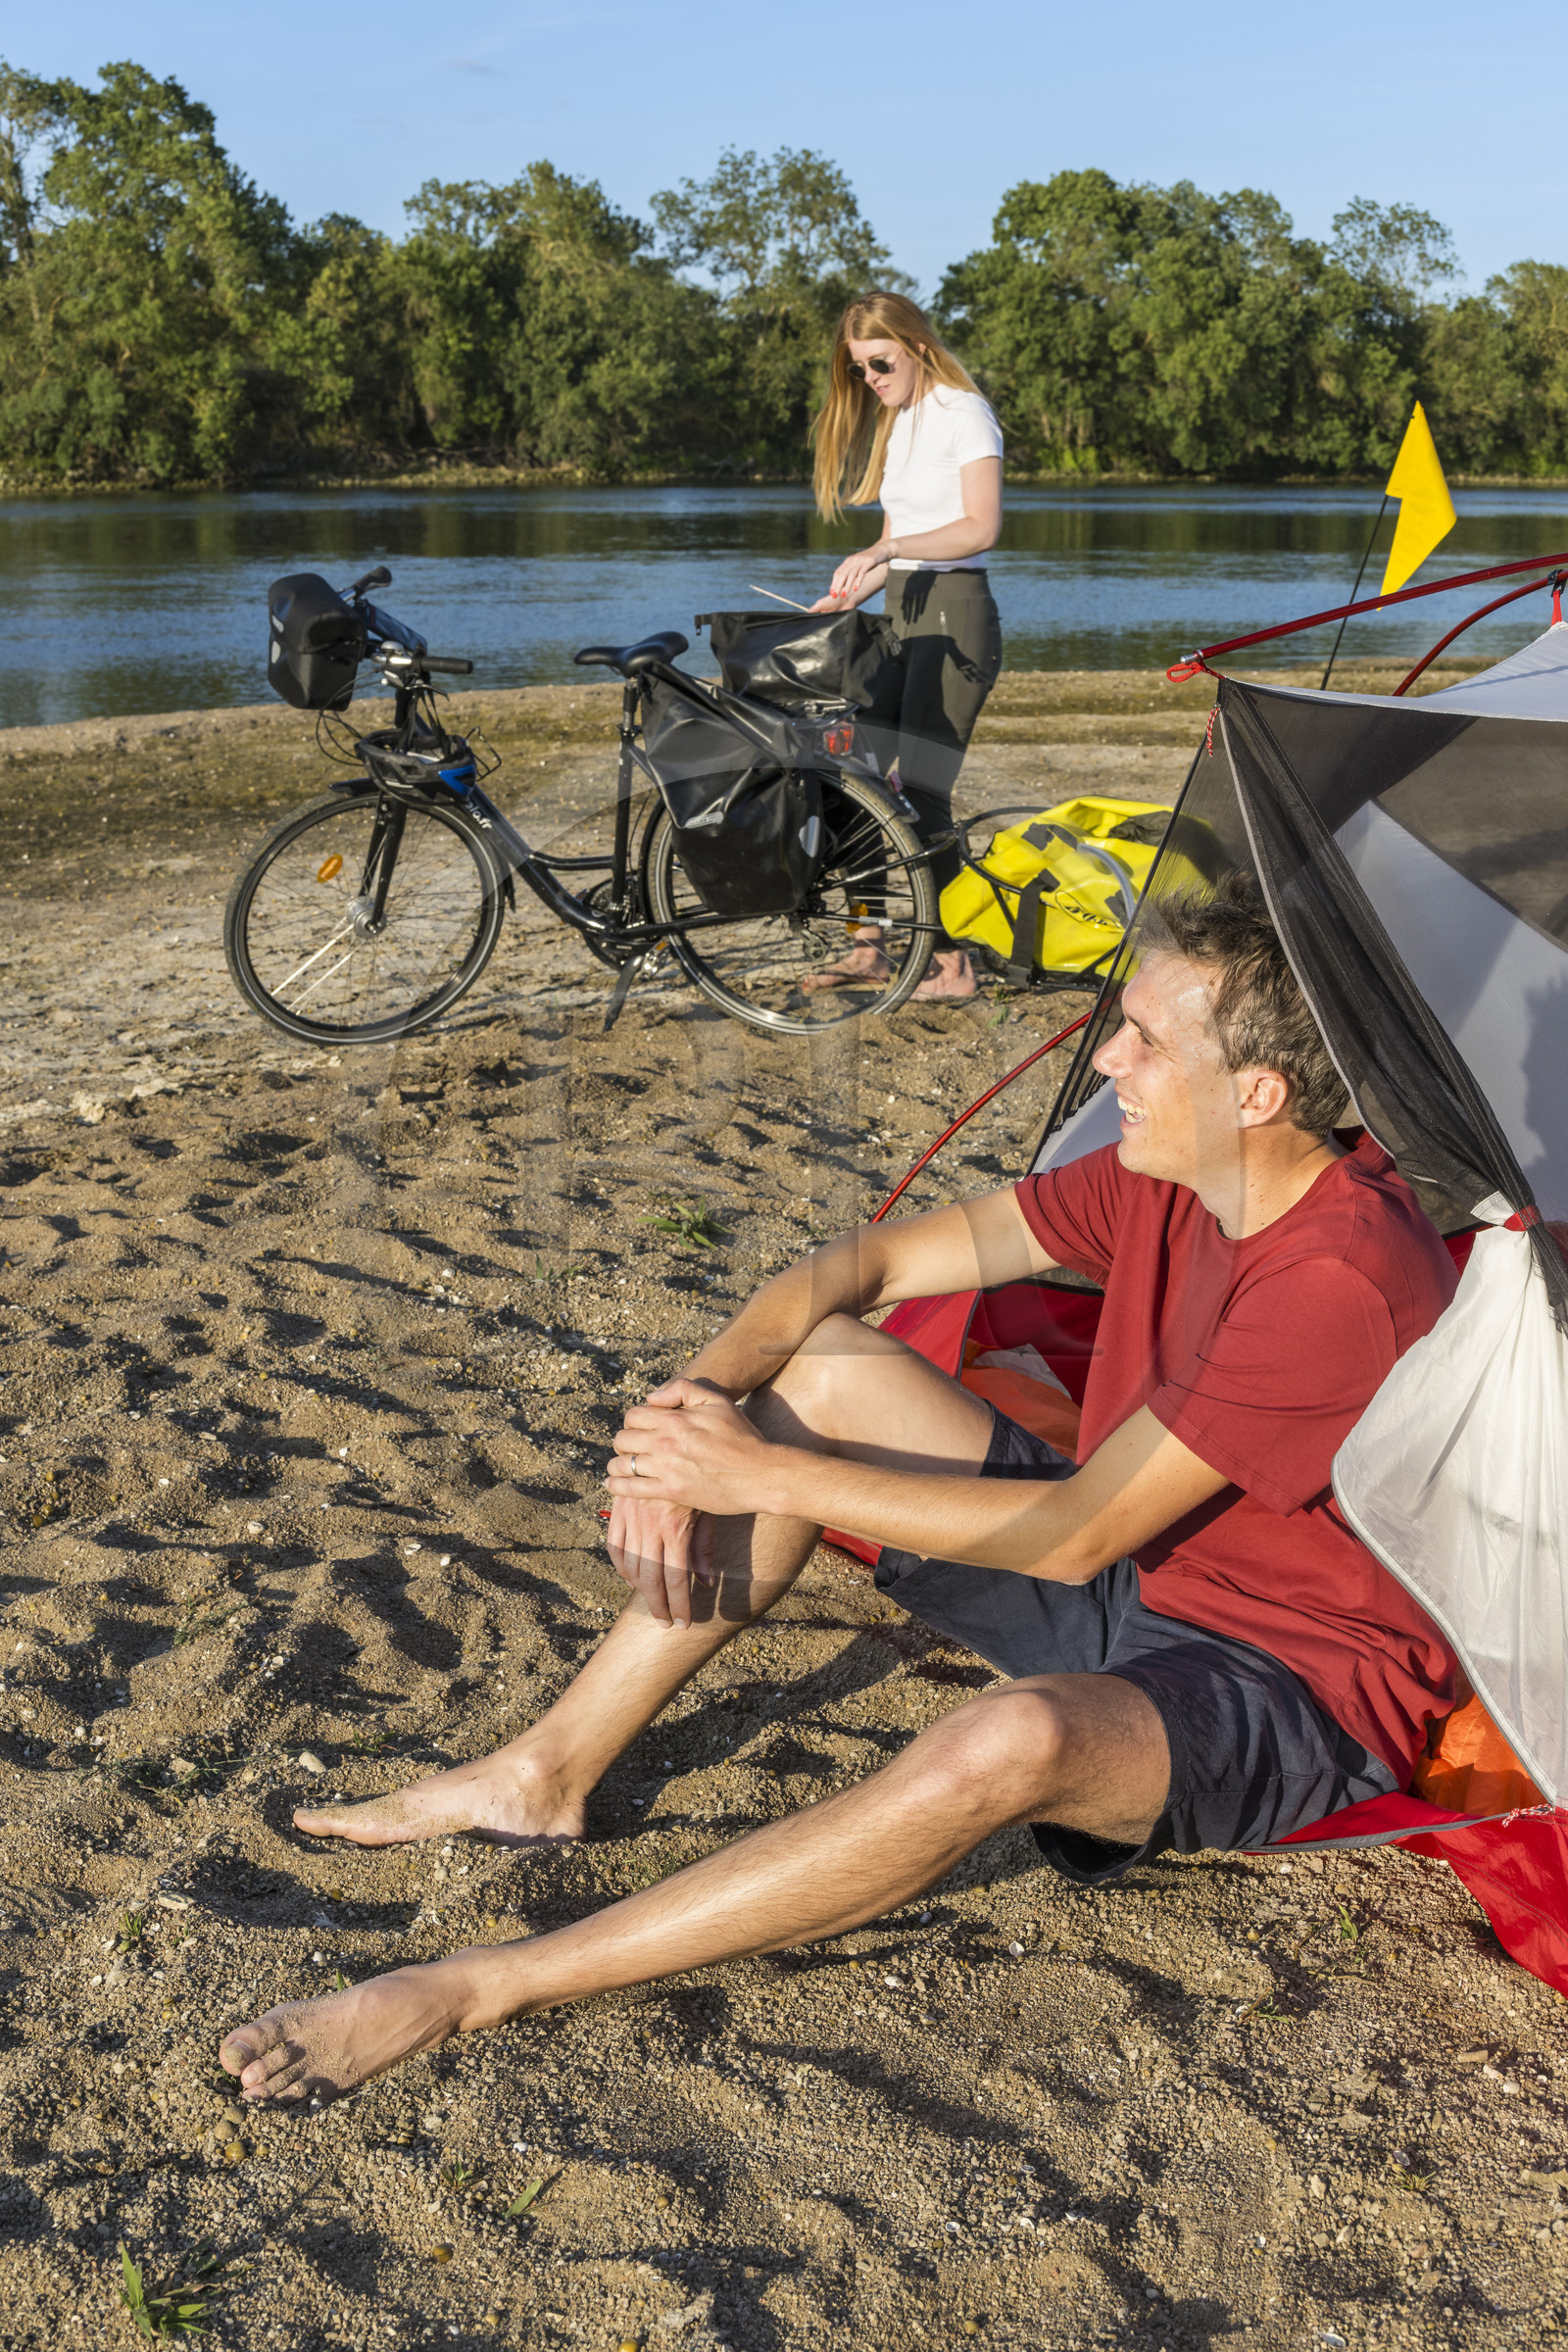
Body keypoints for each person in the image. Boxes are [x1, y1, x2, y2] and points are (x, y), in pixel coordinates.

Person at [220, 877, 1462, 2107]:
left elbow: (1081, 1533)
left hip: (1295, 1683)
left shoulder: (1336, 1272)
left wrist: (751, 1471)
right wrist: (684, 1418)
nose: (1107, 1068)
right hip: (1141, 1577)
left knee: (1011, 1738)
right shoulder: (1171, 1175)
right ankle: (540, 1773)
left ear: (1258, 1095)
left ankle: (481, 1986)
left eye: (1144, 1041)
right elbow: (855, 1265)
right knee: (820, 1368)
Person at [801, 290, 1004, 1002]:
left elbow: (979, 529)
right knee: (853, 773)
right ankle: (868, 946)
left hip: (955, 621)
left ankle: (952, 964)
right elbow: (901, 547)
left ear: (916, 345)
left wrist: (888, 544)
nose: (872, 381)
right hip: (902, 613)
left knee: (920, 792)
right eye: (860, 370)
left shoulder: (964, 414)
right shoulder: (901, 421)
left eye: (880, 364)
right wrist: (848, 593)